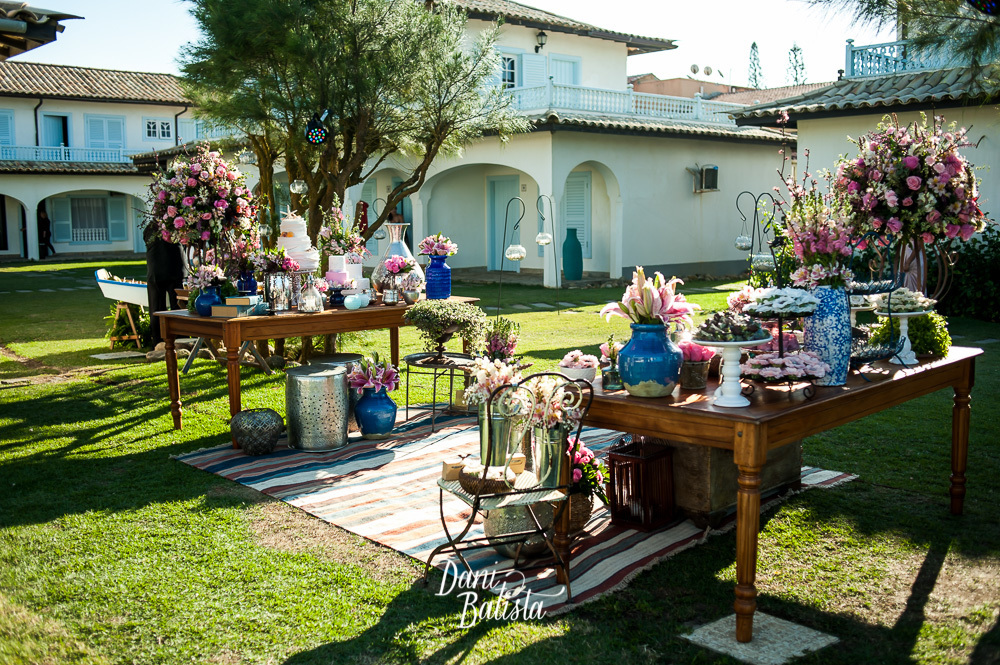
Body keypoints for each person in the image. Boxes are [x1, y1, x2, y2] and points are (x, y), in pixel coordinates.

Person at [144, 225, 186, 347]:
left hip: (156, 269)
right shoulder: (175, 225)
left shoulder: (150, 228)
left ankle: (158, 341)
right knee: (178, 307)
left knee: (156, 307)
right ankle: (181, 340)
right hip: (174, 267)